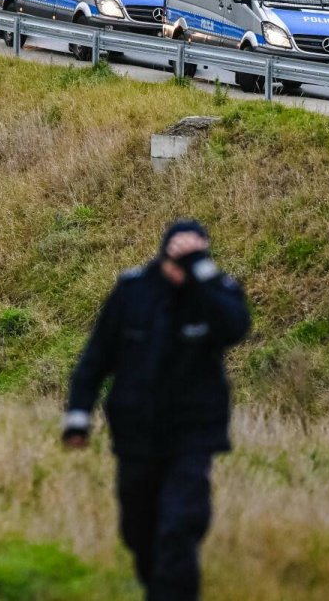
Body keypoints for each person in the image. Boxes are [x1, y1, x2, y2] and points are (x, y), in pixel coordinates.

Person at [62, 219, 251, 601]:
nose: (183, 272)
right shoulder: (133, 291)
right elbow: (96, 357)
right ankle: (158, 586)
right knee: (139, 530)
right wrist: (78, 415)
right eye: (179, 263)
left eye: (194, 262)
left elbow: (235, 327)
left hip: (191, 435)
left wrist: (201, 273)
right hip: (136, 434)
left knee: (179, 525)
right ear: (163, 259)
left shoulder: (215, 293)